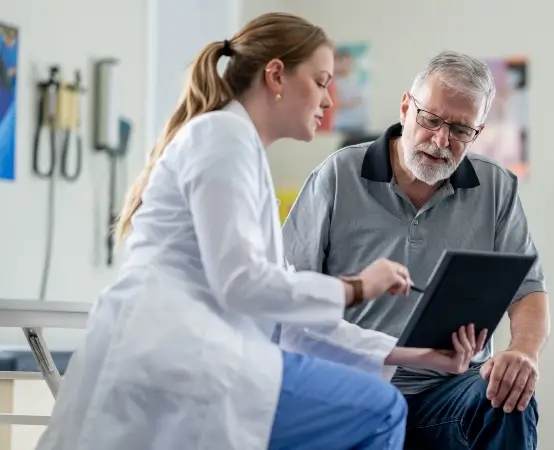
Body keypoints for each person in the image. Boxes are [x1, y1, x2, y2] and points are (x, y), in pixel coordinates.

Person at [34, 16, 487, 450]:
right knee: (381, 409)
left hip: (201, 361)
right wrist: (356, 287)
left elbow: (290, 320)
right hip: (171, 360)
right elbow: (242, 283)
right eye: (321, 82)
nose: (329, 101)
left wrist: (418, 354)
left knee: (376, 408)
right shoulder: (221, 138)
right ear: (276, 76)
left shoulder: (240, 150)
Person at [282, 50, 550, 449]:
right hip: (354, 388)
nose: (441, 140)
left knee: (507, 398)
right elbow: (289, 295)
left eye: (461, 130)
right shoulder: (337, 177)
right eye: (432, 120)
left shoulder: (497, 188)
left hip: (450, 391)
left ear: (477, 133)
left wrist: (523, 353)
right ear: (407, 107)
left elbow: (528, 291)